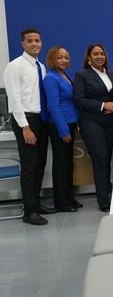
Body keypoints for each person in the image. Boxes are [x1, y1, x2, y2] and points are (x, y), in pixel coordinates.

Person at [4, 29, 53, 224]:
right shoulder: (14, 66)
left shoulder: (40, 66)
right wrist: (25, 127)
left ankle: (37, 203)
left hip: (40, 119)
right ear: (22, 44)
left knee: (40, 164)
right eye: (30, 41)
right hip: (26, 120)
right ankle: (29, 211)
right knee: (30, 166)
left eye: (38, 40)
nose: (35, 44)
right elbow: (14, 99)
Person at [74, 44, 113, 212]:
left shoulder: (112, 75)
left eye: (102, 54)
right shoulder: (82, 75)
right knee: (100, 159)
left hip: (110, 123)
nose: (100, 56)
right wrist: (103, 105)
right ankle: (103, 200)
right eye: (96, 54)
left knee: (107, 160)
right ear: (89, 58)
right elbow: (79, 99)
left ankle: (107, 193)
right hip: (91, 122)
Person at [43, 46, 80, 212]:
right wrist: (63, 131)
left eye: (66, 57)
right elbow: (53, 106)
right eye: (60, 57)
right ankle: (61, 202)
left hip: (70, 122)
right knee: (61, 165)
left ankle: (69, 198)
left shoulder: (63, 75)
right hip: (59, 125)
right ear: (52, 59)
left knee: (68, 164)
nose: (64, 60)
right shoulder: (51, 78)